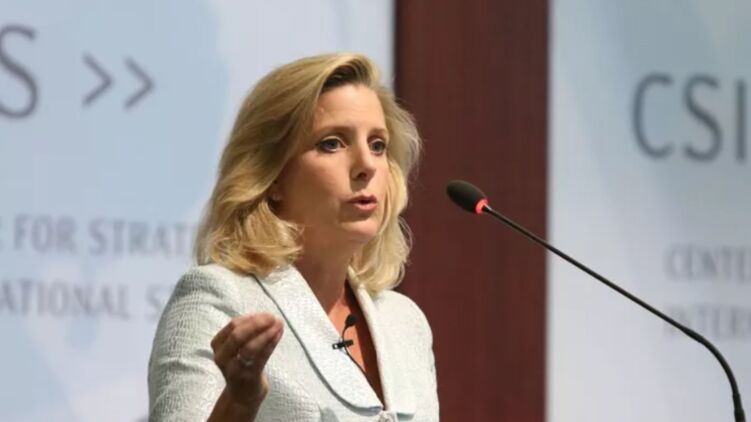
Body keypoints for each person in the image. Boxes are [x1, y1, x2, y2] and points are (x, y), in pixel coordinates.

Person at [148, 53, 438, 421]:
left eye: (378, 145)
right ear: (272, 176)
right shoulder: (218, 299)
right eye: (332, 143)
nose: (367, 165)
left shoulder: (405, 322)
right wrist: (239, 404)